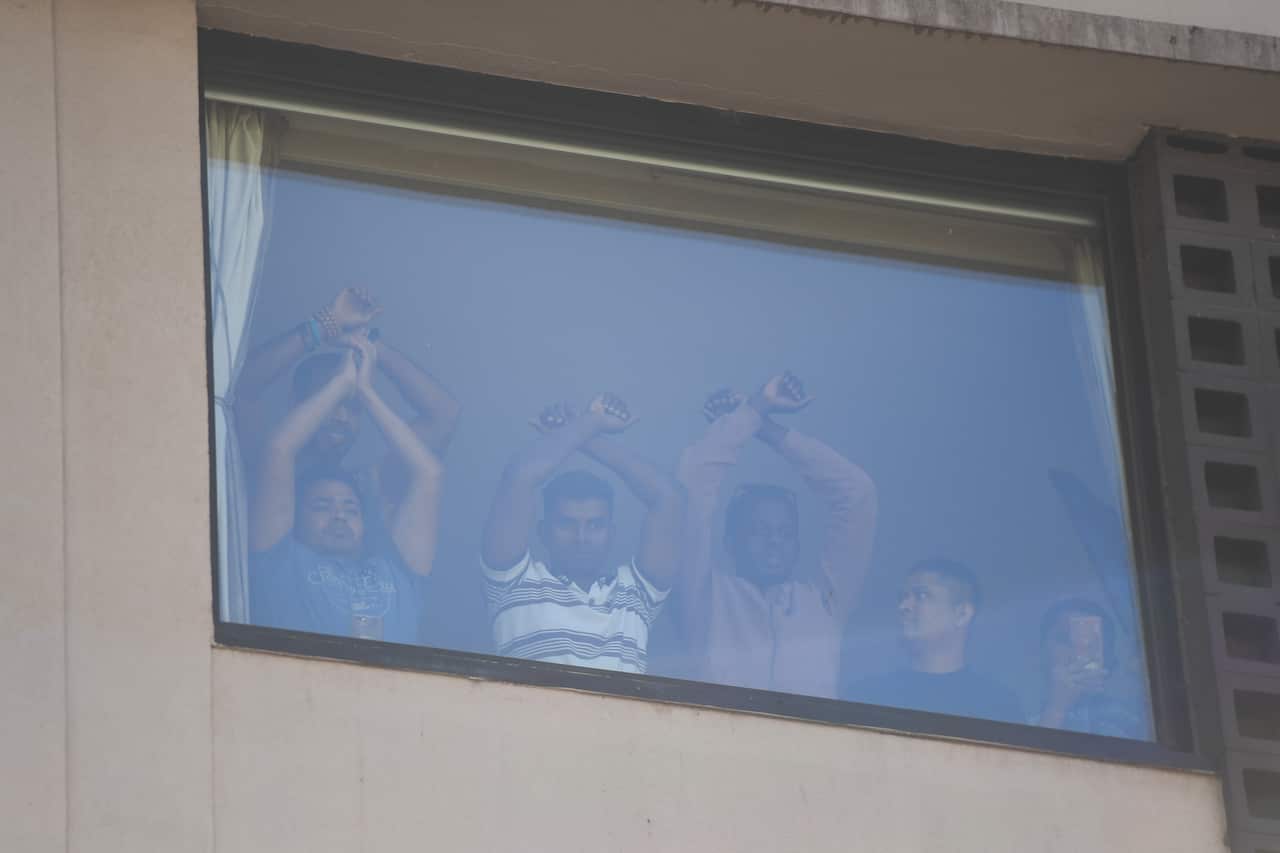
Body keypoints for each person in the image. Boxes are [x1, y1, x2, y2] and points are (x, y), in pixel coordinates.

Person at [673, 372, 877, 698]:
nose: (774, 543)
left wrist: (765, 428)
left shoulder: (824, 604)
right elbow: (694, 479)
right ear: (731, 542)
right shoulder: (705, 597)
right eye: (758, 531)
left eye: (785, 533)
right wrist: (755, 409)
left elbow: (857, 494)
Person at [248, 333, 443, 643]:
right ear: (293, 519)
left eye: (350, 509)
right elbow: (279, 449)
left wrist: (365, 391)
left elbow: (428, 472)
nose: (339, 516)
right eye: (321, 507)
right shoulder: (282, 564)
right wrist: (341, 382)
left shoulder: (396, 572)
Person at [479, 394, 684, 673]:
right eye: (567, 524)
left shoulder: (636, 596)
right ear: (543, 532)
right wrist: (591, 421)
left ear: (611, 533)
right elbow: (520, 476)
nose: (582, 537)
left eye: (595, 525)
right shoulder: (513, 584)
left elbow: (668, 497)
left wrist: (583, 434)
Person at [235, 287, 460, 517]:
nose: (342, 417)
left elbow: (443, 415)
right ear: (298, 404)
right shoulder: (261, 467)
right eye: (331, 400)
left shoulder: (365, 490)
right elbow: (240, 389)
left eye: (354, 407)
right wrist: (322, 326)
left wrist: (365, 342)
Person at [853, 559, 1022, 723]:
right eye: (902, 597)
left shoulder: (998, 706)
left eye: (922, 595)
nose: (904, 606)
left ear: (962, 614)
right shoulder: (869, 696)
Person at [1034, 599, 1146, 738]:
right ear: (1041, 654)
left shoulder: (1134, 720)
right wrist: (1056, 709)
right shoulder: (1017, 722)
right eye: (1064, 639)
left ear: (1108, 659)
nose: (1076, 652)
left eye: (1091, 644)